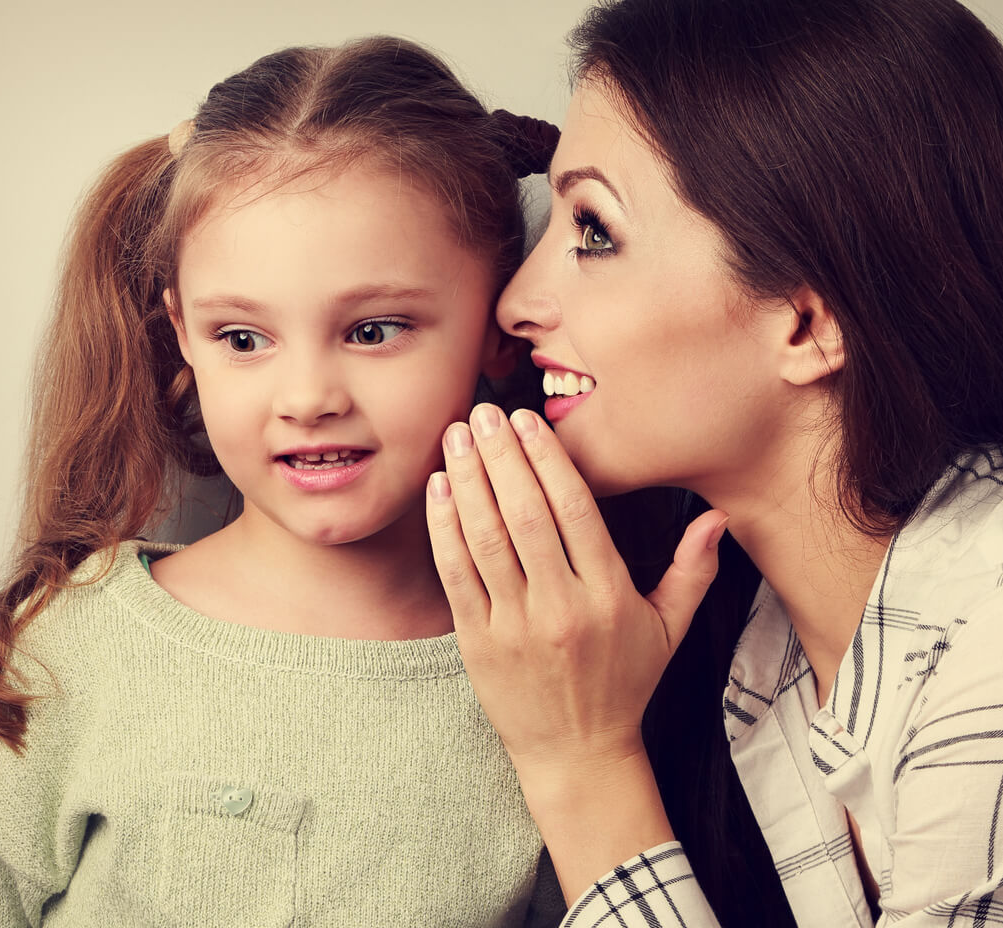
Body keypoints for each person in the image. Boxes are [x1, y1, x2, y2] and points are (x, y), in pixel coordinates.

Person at [0, 36, 566, 927]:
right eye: (243, 338)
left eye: (374, 330)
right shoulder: (71, 648)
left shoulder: (552, 668)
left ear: (497, 322)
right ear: (183, 334)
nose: (307, 399)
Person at [425, 0, 1003, 925]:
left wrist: (578, 759)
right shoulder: (762, 661)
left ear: (806, 323)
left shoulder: (989, 655)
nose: (517, 302)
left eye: (594, 232)